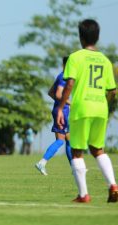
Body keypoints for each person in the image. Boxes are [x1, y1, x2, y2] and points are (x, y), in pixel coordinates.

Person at [57, 19, 117, 203]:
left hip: (82, 108)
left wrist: (60, 107)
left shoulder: (75, 57)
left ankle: (83, 195)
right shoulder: (105, 60)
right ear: (97, 37)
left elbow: (70, 83)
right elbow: (113, 91)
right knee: (98, 149)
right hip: (100, 108)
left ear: (81, 37)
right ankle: (113, 185)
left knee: (77, 151)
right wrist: (103, 105)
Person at [35, 56, 72, 175]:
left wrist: (59, 102)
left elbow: (51, 93)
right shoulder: (64, 77)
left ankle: (75, 169)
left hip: (60, 110)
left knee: (69, 140)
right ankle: (42, 162)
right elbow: (58, 94)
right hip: (63, 112)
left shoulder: (61, 75)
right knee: (60, 141)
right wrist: (70, 103)